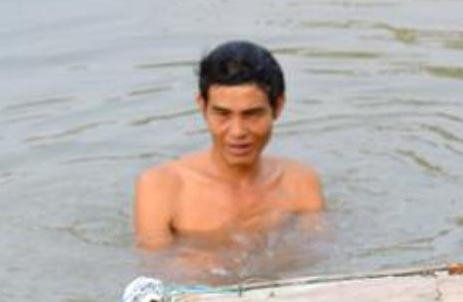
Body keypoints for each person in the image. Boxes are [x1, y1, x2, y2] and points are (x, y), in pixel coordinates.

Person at [133, 40, 324, 247]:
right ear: (202, 106)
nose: (237, 132)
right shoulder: (162, 186)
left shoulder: (299, 182)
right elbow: (156, 270)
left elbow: (317, 259)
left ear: (277, 107)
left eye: (252, 114)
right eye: (222, 114)